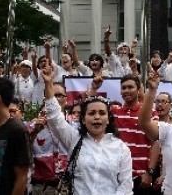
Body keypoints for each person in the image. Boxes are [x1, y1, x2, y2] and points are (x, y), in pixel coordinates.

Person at [41, 64, 133, 194]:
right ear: (83, 119)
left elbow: (125, 186)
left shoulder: (121, 148)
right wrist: (48, 84)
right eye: (91, 113)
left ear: (108, 119)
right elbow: (55, 118)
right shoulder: (74, 139)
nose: (97, 117)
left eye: (102, 113)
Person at [110, 74, 158, 194]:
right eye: (123, 88)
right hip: (117, 176)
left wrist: (149, 172)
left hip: (142, 177)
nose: (126, 90)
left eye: (130, 87)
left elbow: (156, 143)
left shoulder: (150, 113)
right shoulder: (114, 112)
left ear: (138, 90)